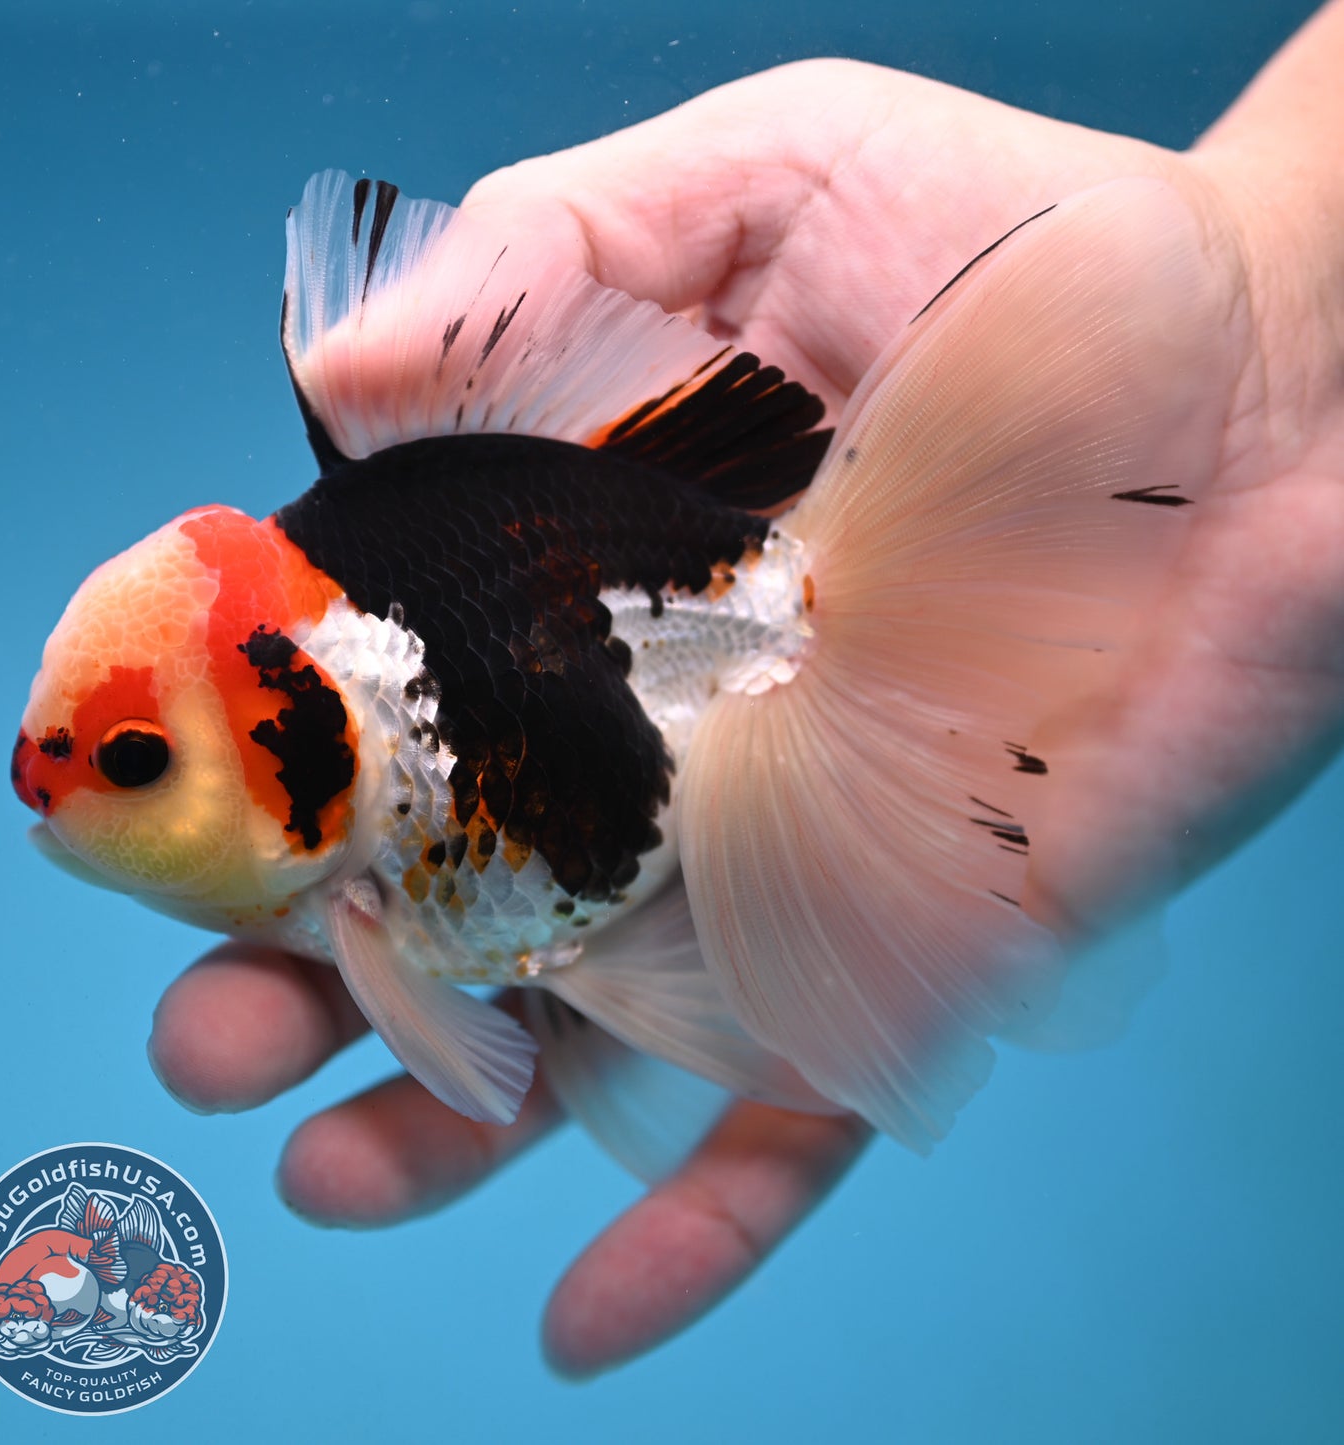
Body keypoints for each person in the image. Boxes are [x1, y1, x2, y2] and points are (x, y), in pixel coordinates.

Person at [146, 1, 1344, 1377]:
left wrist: (1297, 275)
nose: (61, 793)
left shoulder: (355, 859)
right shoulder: (333, 844)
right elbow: (495, 1037)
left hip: (689, 582)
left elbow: (474, 1047)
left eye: (134, 763)